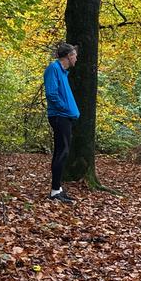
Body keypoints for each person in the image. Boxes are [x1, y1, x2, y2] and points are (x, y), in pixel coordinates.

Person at [43, 42, 79, 203]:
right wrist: (64, 108)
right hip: (59, 116)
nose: (76, 58)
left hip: (65, 116)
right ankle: (55, 191)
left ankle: (57, 189)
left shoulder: (63, 72)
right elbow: (51, 93)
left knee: (62, 152)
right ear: (68, 56)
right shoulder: (54, 68)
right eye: (75, 55)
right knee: (62, 152)